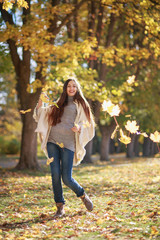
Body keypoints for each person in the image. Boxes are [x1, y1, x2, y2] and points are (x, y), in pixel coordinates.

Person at [33, 78, 95, 217]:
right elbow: (40, 115)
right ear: (65, 88)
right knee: (55, 174)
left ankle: (83, 195)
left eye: (74, 86)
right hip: (52, 141)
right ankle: (60, 207)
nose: (71, 88)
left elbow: (88, 124)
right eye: (69, 86)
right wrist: (41, 101)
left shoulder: (82, 104)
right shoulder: (58, 103)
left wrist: (79, 128)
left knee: (66, 178)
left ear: (77, 88)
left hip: (69, 144)